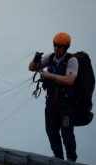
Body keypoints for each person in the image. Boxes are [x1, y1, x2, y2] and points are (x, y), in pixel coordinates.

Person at [28, 32, 78, 162]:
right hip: (51, 102)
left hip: (65, 104)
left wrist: (50, 76)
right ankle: (58, 157)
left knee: (67, 133)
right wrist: (36, 60)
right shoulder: (50, 57)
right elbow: (31, 68)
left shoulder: (71, 60)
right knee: (51, 130)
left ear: (66, 47)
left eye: (60, 46)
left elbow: (70, 80)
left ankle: (71, 159)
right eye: (55, 45)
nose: (56, 48)